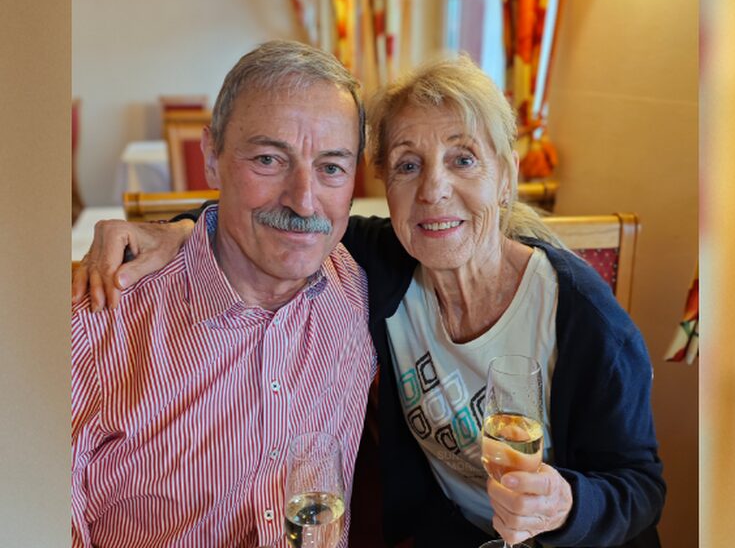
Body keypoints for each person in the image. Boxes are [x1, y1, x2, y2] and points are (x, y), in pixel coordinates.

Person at [74, 54, 665, 547]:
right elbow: (274, 222)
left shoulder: (583, 317)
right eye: (408, 165)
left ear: (506, 176)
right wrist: (178, 229)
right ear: (383, 183)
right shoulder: (382, 270)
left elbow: (642, 485)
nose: (434, 189)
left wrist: (566, 505)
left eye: (463, 159)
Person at [70, 40, 377, 548]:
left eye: (331, 167)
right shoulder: (100, 322)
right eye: (268, 159)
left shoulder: (359, 290)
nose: (304, 201)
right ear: (211, 158)